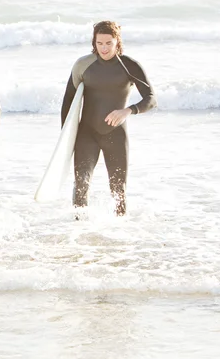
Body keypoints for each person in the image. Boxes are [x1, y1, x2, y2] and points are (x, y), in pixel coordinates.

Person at [60, 21, 156, 216]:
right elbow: (68, 102)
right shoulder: (83, 65)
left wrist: (128, 110)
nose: (104, 48)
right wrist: (66, 138)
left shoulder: (130, 66)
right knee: (81, 186)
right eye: (99, 43)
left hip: (116, 135)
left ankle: (120, 236)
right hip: (87, 134)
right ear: (94, 42)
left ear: (117, 42)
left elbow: (151, 99)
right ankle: (77, 234)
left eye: (108, 43)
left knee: (118, 190)